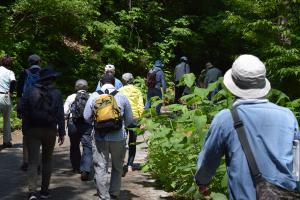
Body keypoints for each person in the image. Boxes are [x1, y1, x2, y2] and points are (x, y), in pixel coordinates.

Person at [194, 55, 300, 199]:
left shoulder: (226, 118)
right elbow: (297, 166)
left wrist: (202, 182)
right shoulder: (288, 116)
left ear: (232, 87)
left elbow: (209, 160)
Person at [84, 73, 133, 200]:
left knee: (101, 167)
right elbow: (129, 120)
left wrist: (97, 123)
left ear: (100, 83)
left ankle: (103, 196)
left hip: (100, 137)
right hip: (118, 137)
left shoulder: (94, 96)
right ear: (115, 83)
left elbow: (86, 116)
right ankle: (114, 193)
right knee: (117, 166)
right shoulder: (122, 96)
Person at [20, 68, 65, 200]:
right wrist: (61, 132)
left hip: (32, 129)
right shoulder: (57, 93)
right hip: (50, 129)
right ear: (52, 80)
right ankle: (44, 191)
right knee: (47, 160)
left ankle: (32, 192)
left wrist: (26, 128)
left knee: (33, 162)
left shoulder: (30, 90)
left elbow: (21, 109)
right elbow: (60, 115)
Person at [64, 79, 93, 181]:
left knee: (74, 145)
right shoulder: (91, 96)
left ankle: (76, 168)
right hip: (87, 123)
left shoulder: (71, 97)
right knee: (87, 146)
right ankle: (85, 169)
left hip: (73, 123)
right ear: (86, 87)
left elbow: (65, 112)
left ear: (76, 87)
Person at [17, 54, 42, 171]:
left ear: (29, 62)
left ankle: (26, 161)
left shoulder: (24, 73)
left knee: (26, 135)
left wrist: (19, 109)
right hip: (41, 108)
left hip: (27, 108)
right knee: (38, 135)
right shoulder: (44, 73)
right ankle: (36, 162)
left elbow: (19, 93)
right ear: (39, 62)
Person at [119, 73, 144, 173]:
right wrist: (142, 121)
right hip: (135, 118)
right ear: (132, 80)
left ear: (123, 81)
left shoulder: (120, 91)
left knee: (121, 142)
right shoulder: (137, 90)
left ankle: (120, 163)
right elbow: (141, 107)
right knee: (132, 143)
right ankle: (130, 165)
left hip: (123, 119)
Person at [0, 56, 16, 148]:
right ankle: (6, 142)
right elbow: (13, 81)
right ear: (9, 64)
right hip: (5, 96)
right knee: (6, 120)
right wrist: (11, 92)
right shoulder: (10, 72)